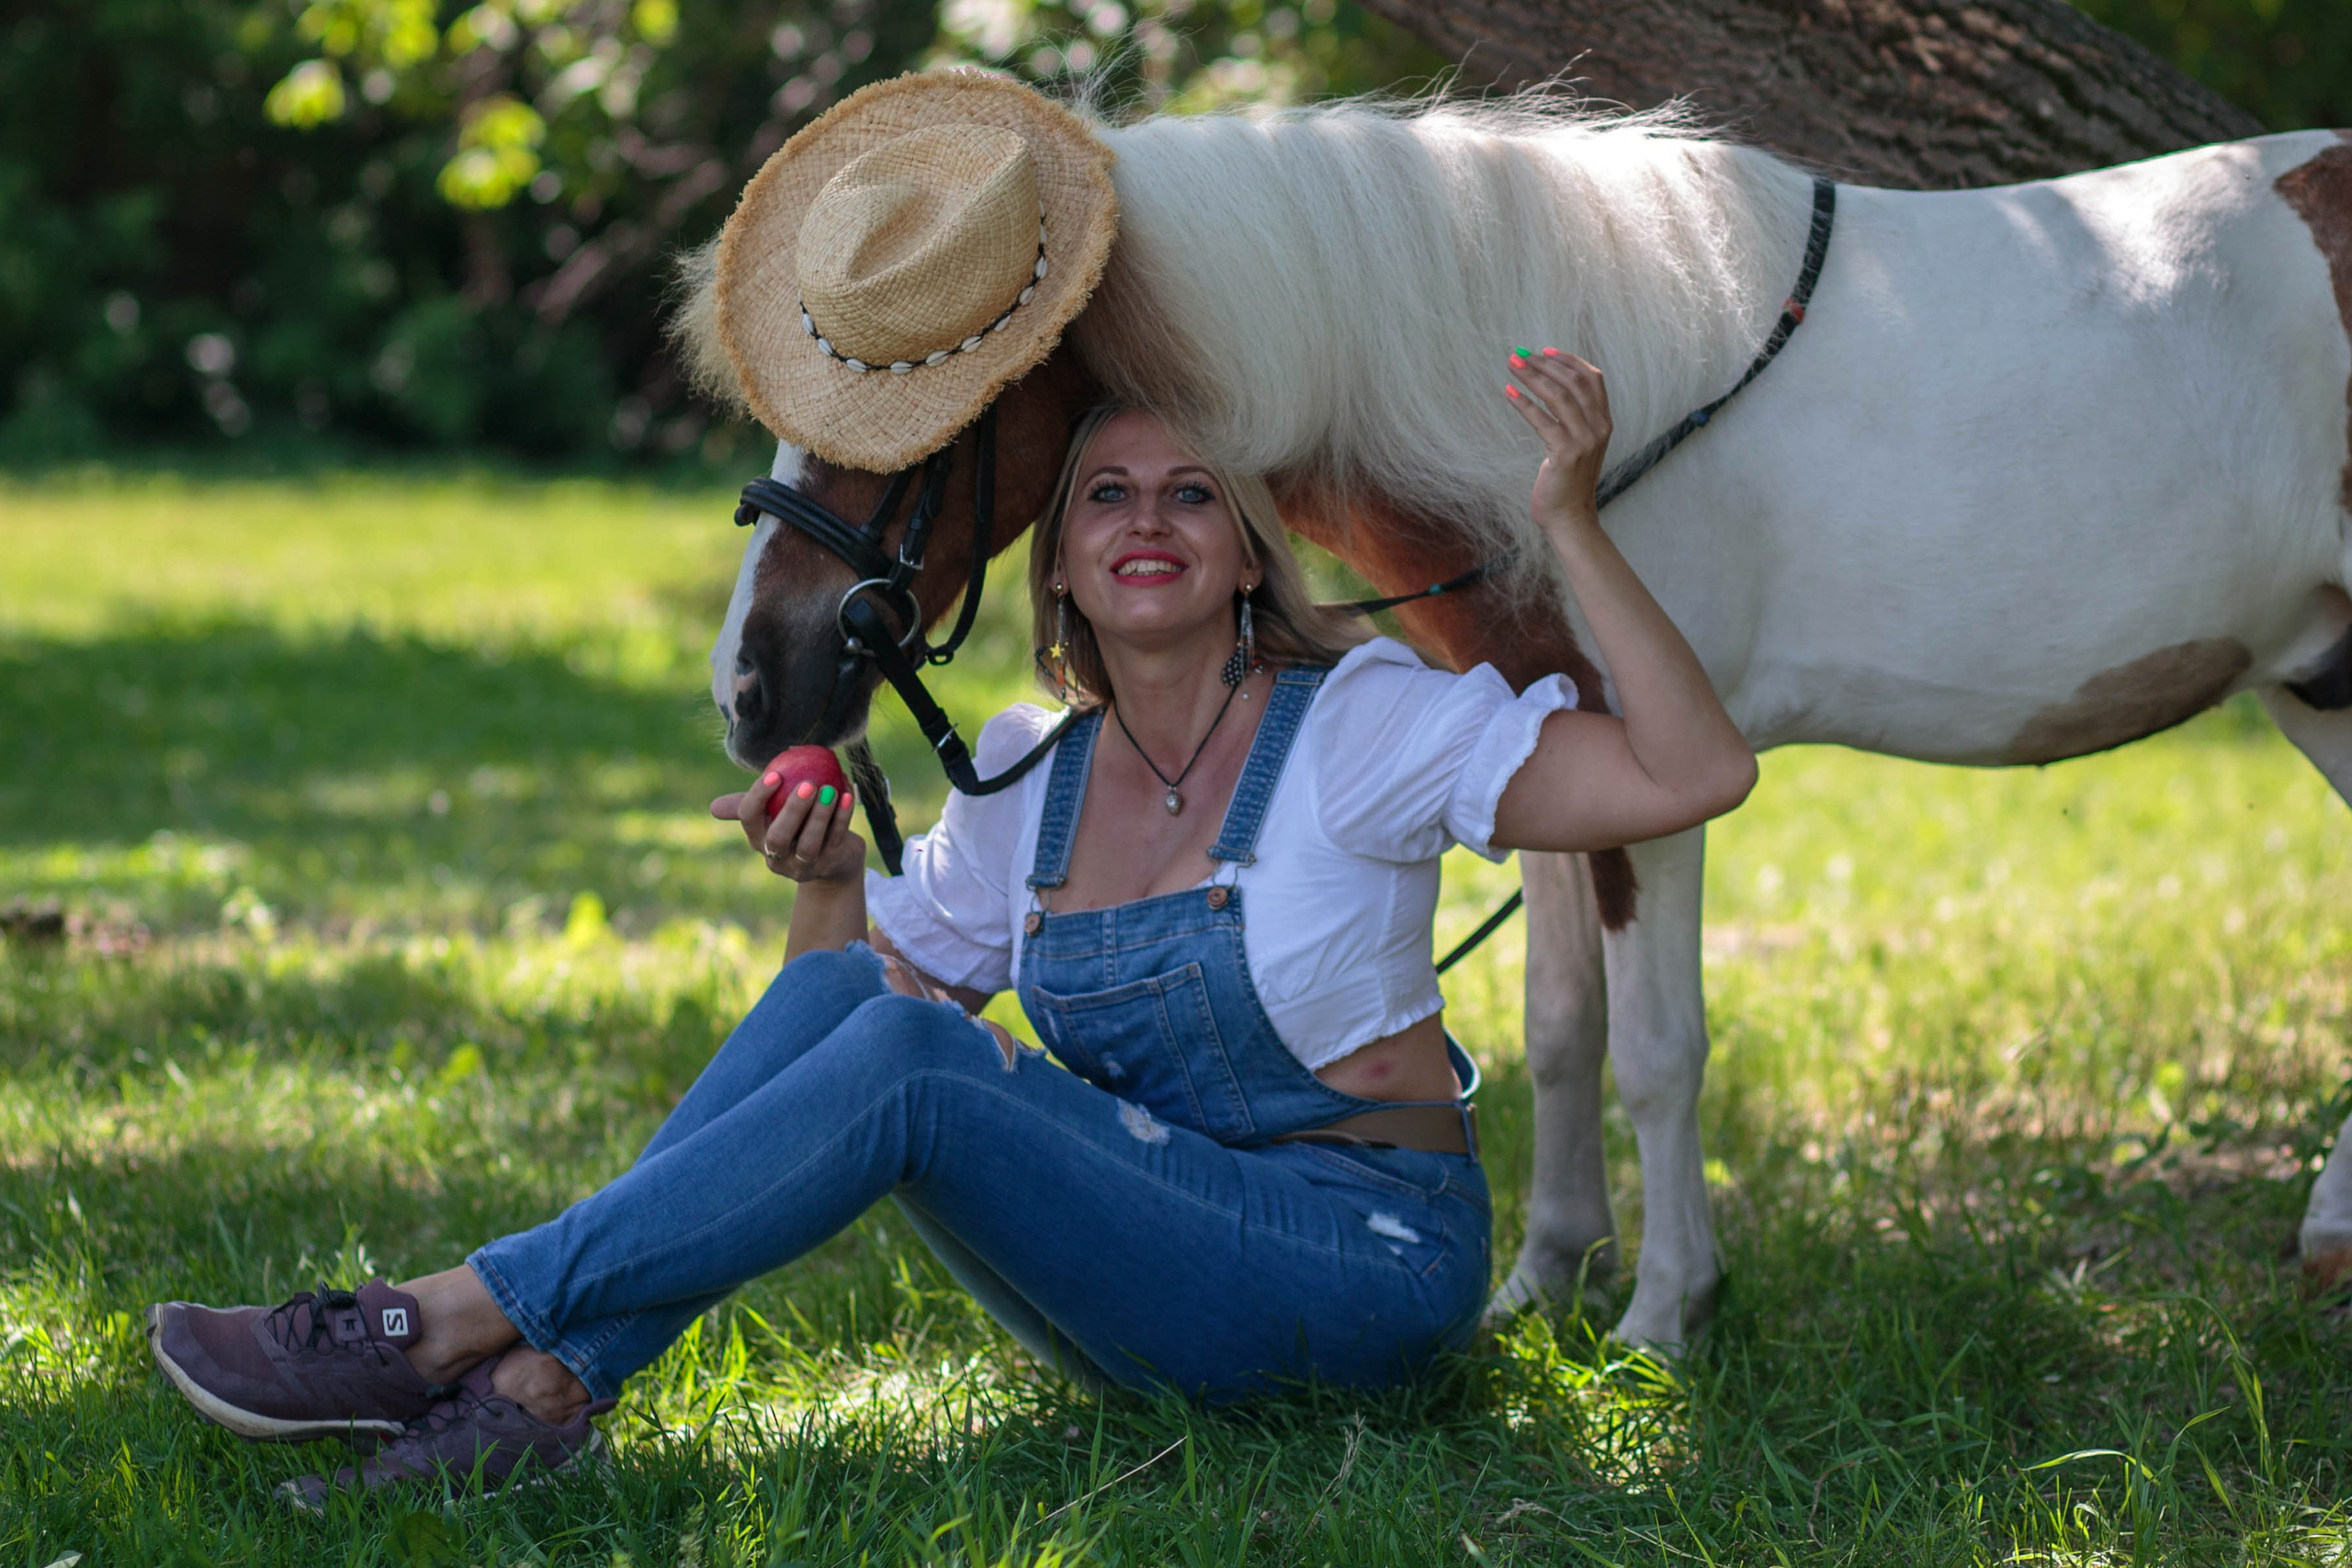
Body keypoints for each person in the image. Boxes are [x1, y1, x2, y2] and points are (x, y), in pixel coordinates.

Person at [142, 74, 1757, 1507]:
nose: (1147, 519)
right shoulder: (1028, 780)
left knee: (917, 1048)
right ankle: (537, 1385)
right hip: (1144, 1287)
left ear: (1249, 545)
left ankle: (433, 1333)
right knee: (878, 1015)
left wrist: (1569, 517)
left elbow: (1696, 770)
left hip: (1362, 1268)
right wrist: (828, 890)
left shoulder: (1366, 722)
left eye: (1193, 494)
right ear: (1054, 553)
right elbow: (821, 1052)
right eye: (1106, 492)